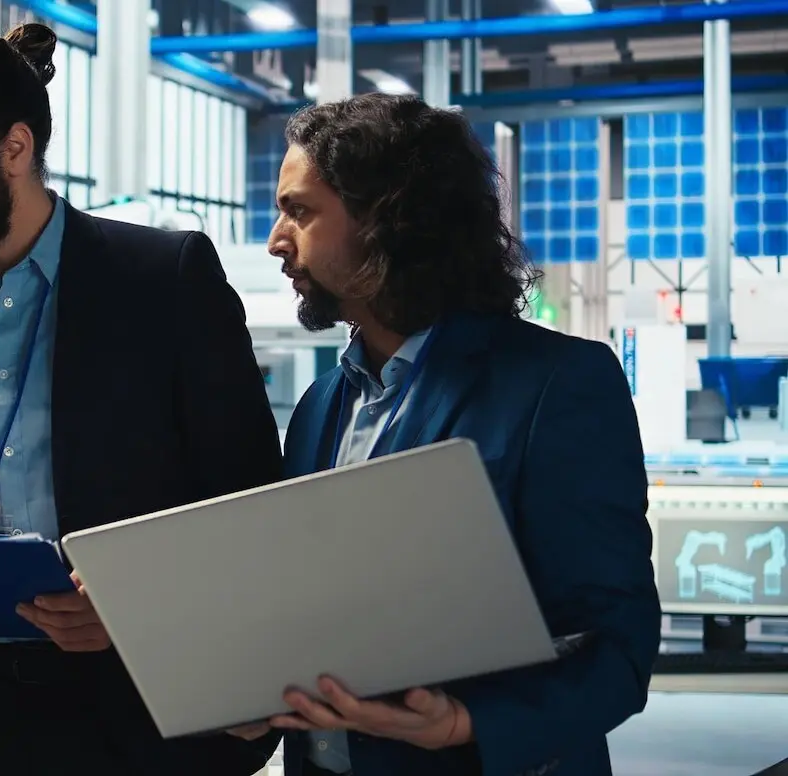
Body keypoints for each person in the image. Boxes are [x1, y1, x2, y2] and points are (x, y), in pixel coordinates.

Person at [0, 21, 284, 776]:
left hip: (140, 726)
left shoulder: (164, 282)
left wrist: (141, 607)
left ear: (14, 149)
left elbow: (253, 513)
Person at [243, 93, 661, 776]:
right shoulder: (321, 405)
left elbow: (619, 647)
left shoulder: (555, 386)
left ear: (389, 221)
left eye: (300, 210)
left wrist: (468, 724)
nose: (275, 240)